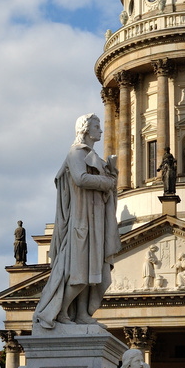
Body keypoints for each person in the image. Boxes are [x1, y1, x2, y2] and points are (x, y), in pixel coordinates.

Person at [33, 113, 120, 329]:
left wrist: (111, 173)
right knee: (80, 272)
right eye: (97, 126)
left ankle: (81, 313)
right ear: (85, 129)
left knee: (95, 274)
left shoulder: (94, 157)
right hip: (81, 221)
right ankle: (60, 311)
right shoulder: (76, 153)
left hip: (96, 221)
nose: (101, 129)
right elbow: (81, 179)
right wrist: (107, 181)